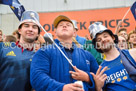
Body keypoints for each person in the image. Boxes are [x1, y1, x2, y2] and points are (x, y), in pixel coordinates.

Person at [30, 15, 99, 91]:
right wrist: (61, 88)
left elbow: (99, 79)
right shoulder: (43, 52)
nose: (64, 26)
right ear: (55, 32)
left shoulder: (87, 55)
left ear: (74, 33)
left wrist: (88, 77)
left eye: (68, 25)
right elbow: (37, 78)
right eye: (61, 25)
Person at [0, 11, 40, 91]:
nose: (30, 29)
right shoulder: (3, 48)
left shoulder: (39, 57)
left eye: (34, 27)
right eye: (26, 26)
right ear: (19, 30)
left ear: (38, 33)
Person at [90, 22, 136, 91]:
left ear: (113, 37)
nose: (103, 40)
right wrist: (98, 88)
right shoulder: (101, 71)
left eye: (105, 36)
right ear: (97, 46)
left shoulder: (132, 53)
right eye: (99, 40)